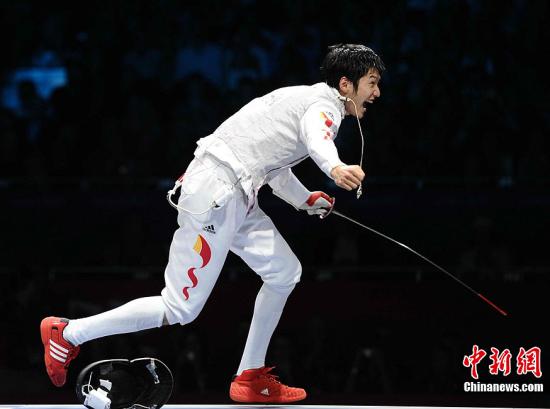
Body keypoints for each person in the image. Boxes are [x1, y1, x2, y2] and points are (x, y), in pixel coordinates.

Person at [40, 43, 384, 403]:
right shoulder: (324, 107)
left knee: (284, 272)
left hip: (235, 193)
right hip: (216, 196)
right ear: (346, 84)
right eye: (371, 83)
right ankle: (69, 333)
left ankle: (250, 376)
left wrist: (304, 198)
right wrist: (335, 168)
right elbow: (319, 139)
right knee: (178, 308)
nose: (376, 93)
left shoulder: (301, 98)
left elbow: (273, 167)